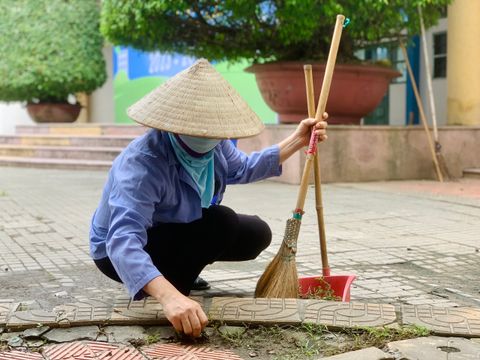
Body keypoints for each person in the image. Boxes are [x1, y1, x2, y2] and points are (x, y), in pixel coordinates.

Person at [89, 59, 327, 338]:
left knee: (255, 233)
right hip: (115, 253)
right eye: (199, 129)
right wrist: (169, 297)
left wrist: (298, 140)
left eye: (213, 131)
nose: (208, 136)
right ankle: (172, 289)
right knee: (220, 221)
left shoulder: (215, 143)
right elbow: (122, 240)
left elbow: (244, 167)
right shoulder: (143, 165)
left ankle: (176, 270)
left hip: (177, 230)